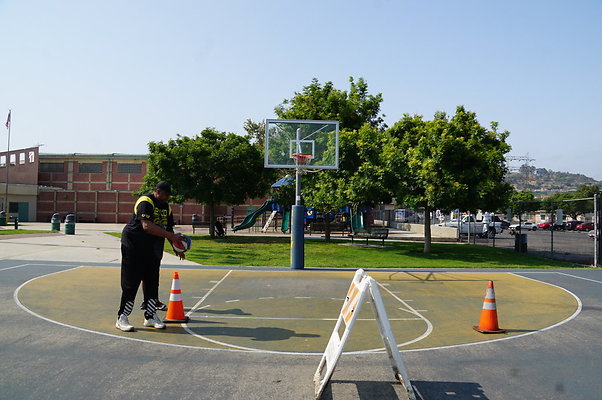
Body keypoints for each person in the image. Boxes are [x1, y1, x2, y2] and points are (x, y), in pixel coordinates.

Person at [115, 181, 185, 332]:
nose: (167, 198)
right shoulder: (145, 201)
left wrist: (176, 247)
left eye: (168, 196)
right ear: (157, 191)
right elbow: (147, 226)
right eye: (165, 195)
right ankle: (122, 317)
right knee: (131, 282)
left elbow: (168, 228)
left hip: (152, 248)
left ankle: (151, 316)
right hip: (134, 245)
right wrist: (171, 237)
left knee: (152, 282)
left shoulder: (166, 207)